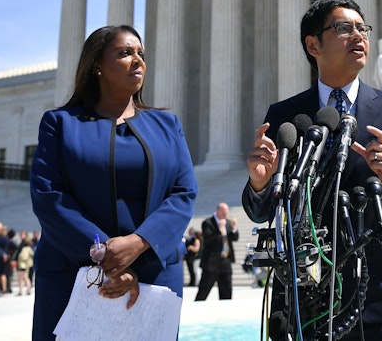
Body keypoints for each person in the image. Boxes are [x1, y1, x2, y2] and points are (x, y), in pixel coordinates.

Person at [243, 0, 382, 340]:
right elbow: (261, 213)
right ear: (313, 44)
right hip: (301, 298)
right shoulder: (284, 116)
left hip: (375, 297)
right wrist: (260, 184)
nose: (359, 37)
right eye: (344, 28)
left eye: (363, 29)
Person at [30, 24, 198, 341]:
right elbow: (49, 197)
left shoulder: (167, 124)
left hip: (154, 269)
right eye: (124, 53)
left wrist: (138, 243)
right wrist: (105, 256)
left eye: (140, 54)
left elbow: (184, 192)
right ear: (97, 65)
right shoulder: (60, 123)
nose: (137, 60)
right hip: (76, 268)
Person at [195, 202, 239, 301]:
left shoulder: (227, 222)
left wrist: (234, 228)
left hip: (225, 261)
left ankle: (226, 311)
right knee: (203, 290)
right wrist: (218, 229)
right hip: (211, 263)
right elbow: (207, 239)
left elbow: (235, 238)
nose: (225, 215)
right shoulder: (208, 222)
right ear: (218, 211)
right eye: (224, 213)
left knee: (227, 290)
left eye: (226, 213)